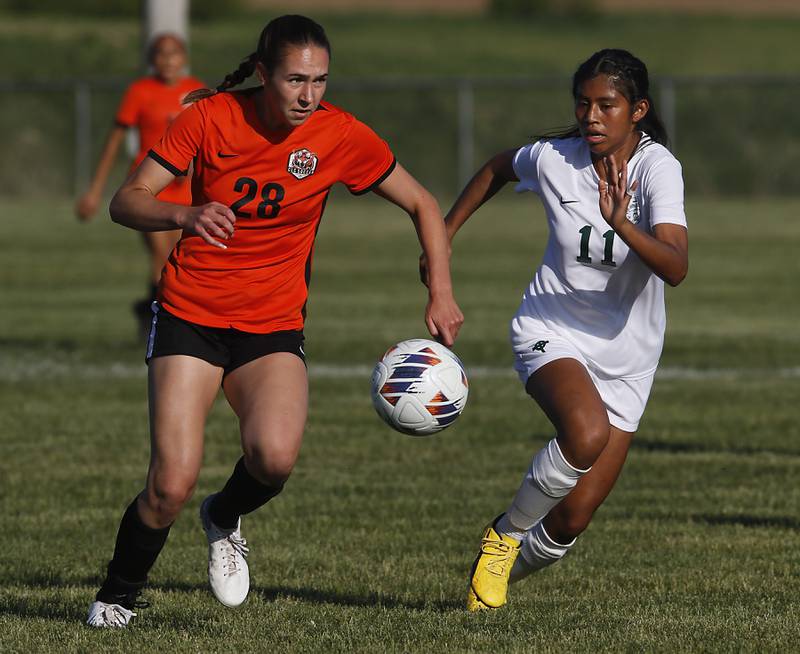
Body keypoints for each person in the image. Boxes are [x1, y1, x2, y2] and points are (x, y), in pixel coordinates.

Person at [85, 14, 463, 628]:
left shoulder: (338, 134)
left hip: (272, 326)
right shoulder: (207, 120)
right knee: (169, 483)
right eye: (294, 80)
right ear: (262, 74)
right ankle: (117, 595)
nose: (308, 95)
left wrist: (440, 292)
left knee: (274, 458)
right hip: (191, 315)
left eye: (319, 80)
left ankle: (225, 517)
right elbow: (126, 201)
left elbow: (422, 202)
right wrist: (185, 215)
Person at [444, 49, 688, 611]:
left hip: (629, 356)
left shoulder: (657, 169)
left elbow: (675, 267)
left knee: (571, 520)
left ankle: (487, 586)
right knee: (585, 433)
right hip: (550, 327)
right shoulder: (555, 158)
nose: (592, 116)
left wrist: (621, 222)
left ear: (638, 110)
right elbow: (498, 168)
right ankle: (503, 536)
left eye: (608, 105)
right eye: (584, 103)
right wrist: (446, 232)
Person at [75, 33, 203, 337]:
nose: (168, 60)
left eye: (174, 54)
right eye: (161, 54)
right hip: (150, 188)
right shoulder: (140, 92)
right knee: (160, 258)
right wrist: (95, 190)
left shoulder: (195, 91)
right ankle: (169, 327)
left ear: (184, 58)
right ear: (151, 60)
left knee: (178, 261)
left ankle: (150, 309)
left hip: (183, 190)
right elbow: (115, 140)